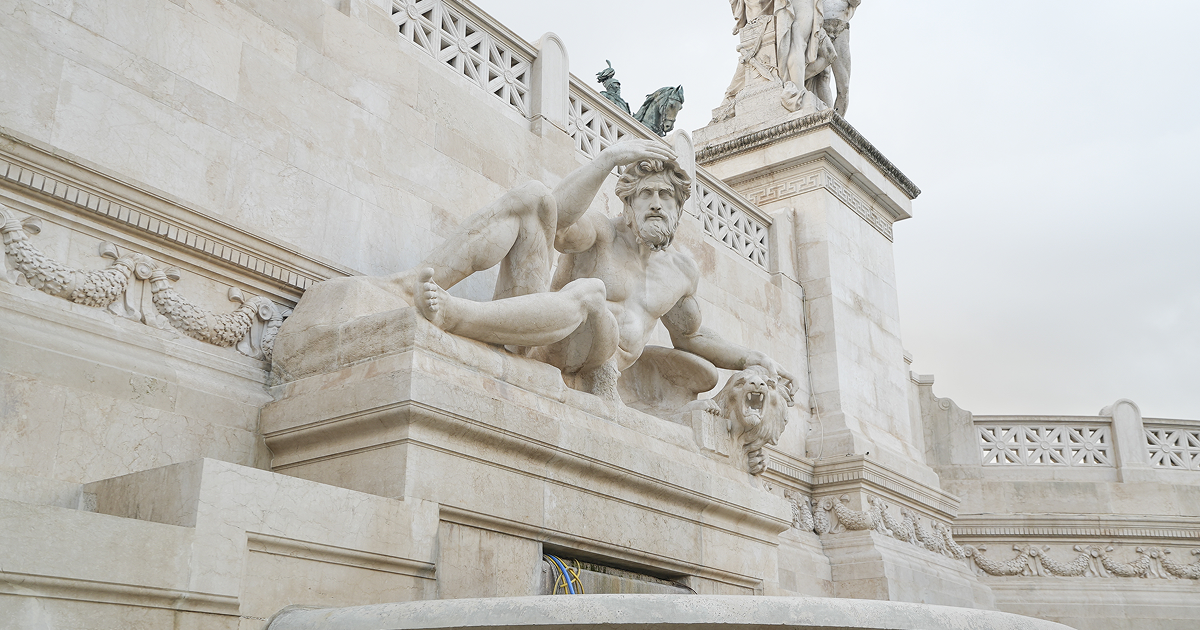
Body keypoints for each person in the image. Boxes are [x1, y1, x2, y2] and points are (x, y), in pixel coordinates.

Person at [408, 140, 795, 401]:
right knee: (533, 197)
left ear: (679, 210)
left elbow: (691, 337)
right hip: (541, 339)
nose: (657, 204)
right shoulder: (603, 232)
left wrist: (750, 357)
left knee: (591, 293)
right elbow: (555, 219)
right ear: (628, 204)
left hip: (596, 359)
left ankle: (456, 314)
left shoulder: (681, 272)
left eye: (666, 196)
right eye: (646, 194)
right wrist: (608, 159)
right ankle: (417, 285)